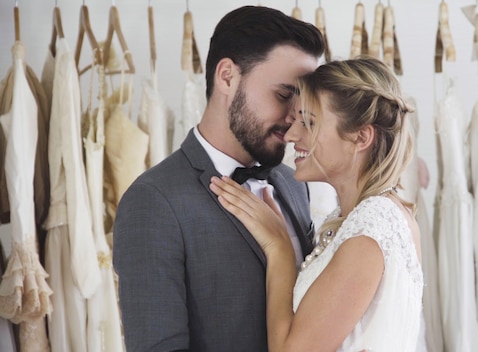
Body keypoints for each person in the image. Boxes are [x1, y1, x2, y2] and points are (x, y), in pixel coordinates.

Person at [112, 6, 325, 351]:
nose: (294, 118)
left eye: (303, 103)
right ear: (227, 76)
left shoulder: (294, 183)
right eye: (284, 95)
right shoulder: (153, 202)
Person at [210, 56, 424, 351]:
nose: (291, 135)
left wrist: (279, 249)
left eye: (309, 122)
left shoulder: (372, 227)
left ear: (360, 137)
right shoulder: (364, 217)